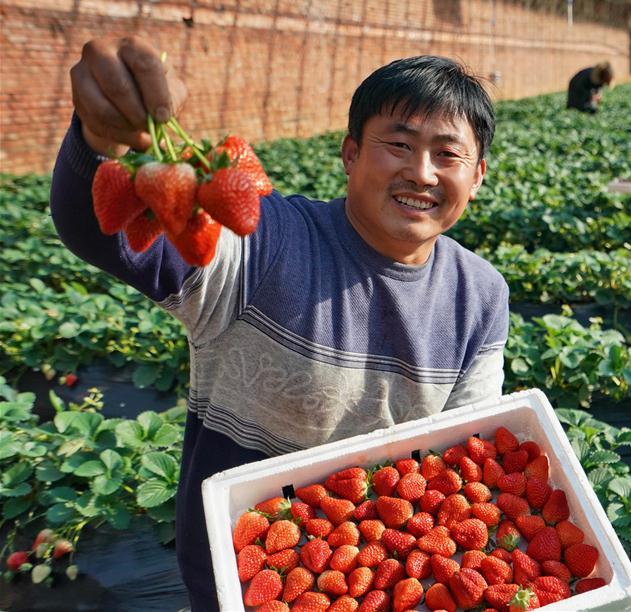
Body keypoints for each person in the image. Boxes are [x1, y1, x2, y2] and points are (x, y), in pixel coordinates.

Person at [51, 36, 509, 610]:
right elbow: (104, 234)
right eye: (398, 144)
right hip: (243, 578)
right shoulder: (264, 239)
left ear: (478, 175)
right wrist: (101, 144)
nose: (421, 172)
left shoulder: (482, 293)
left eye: (448, 154)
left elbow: (466, 454)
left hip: (382, 582)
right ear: (350, 154)